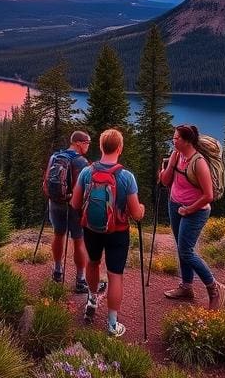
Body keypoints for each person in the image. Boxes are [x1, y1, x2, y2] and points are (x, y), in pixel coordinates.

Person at [71, 128, 145, 337]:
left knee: (93, 263)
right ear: (119, 148)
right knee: (115, 276)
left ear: (101, 146)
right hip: (118, 232)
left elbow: (75, 203)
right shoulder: (126, 177)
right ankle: (112, 324)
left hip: (91, 230)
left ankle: (92, 299)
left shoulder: (87, 172)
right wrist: (142, 210)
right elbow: (136, 213)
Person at [158, 124, 225, 309]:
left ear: (187, 141)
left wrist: (189, 210)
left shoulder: (199, 163)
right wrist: (169, 167)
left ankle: (214, 288)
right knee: (181, 247)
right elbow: (165, 181)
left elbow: (208, 195)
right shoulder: (176, 154)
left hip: (195, 211)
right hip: (175, 205)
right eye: (173, 138)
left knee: (186, 251)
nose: (173, 141)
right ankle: (186, 287)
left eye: (176, 138)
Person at [44, 130, 95, 292]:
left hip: (55, 203)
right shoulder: (81, 161)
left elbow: (45, 183)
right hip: (73, 206)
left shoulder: (55, 157)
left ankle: (57, 271)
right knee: (78, 240)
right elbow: (84, 191)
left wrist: (55, 197)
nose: (88, 146)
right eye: (87, 143)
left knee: (58, 234)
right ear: (78, 143)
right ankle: (80, 280)